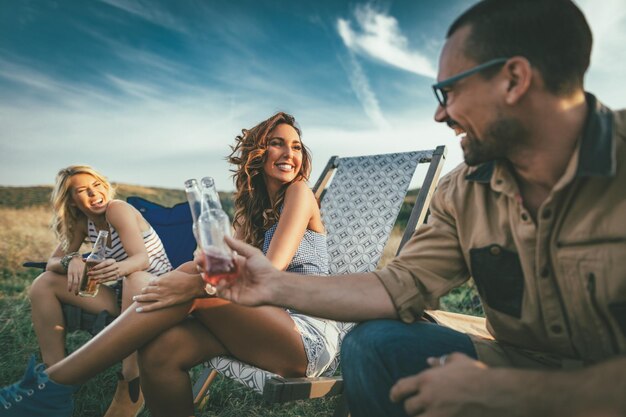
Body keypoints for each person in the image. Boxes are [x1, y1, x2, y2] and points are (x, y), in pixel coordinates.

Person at [212, 1, 626, 416]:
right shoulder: (464, 191)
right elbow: (397, 286)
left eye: (449, 91)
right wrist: (272, 286)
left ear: (514, 80)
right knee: (375, 344)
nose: (440, 113)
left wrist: (516, 392)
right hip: (519, 359)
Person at [0, 112, 345, 417]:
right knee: (160, 353)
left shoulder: (300, 193)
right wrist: (197, 266)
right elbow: (223, 265)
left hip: (305, 335)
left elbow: (268, 273)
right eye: (277, 144)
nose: (290, 154)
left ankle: (54, 385)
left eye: (297, 146)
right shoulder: (248, 210)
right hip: (260, 321)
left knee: (196, 289)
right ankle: (64, 385)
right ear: (257, 153)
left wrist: (197, 282)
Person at [28, 165, 173, 417]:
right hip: (126, 298)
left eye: (97, 185)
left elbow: (141, 260)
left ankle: (131, 382)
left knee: (134, 276)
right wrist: (71, 260)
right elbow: (53, 262)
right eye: (83, 190)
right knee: (44, 282)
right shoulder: (85, 224)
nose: (94, 194)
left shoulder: (118, 210)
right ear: (72, 201)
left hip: (159, 296)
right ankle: (57, 377)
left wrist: (117, 269)